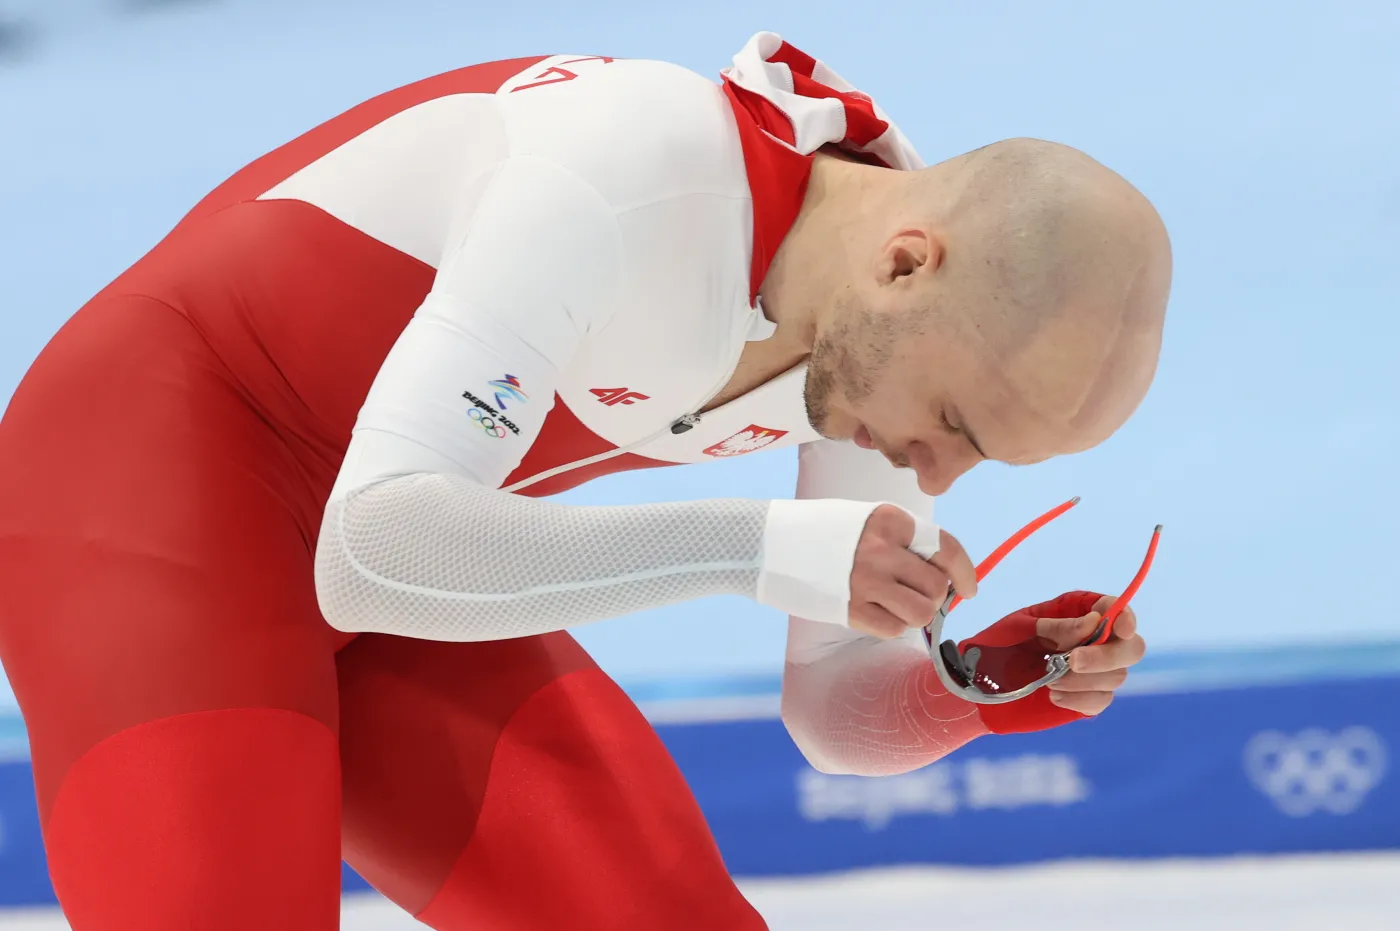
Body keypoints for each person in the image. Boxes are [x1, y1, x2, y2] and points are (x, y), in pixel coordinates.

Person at [0, 31, 1170, 931]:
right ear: (905, 263)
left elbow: (832, 713)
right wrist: (762, 548)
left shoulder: (899, 337)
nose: (932, 470)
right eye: (953, 425)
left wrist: (978, 684)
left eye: (981, 453)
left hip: (413, 542)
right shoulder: (618, 171)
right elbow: (371, 554)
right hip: (149, 486)